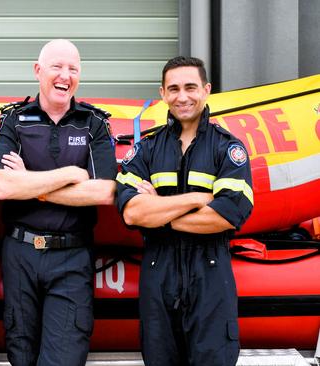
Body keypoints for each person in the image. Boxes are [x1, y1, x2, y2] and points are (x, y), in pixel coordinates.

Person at [116, 56, 254, 366]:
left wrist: (160, 215)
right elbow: (133, 214)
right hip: (158, 275)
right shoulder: (146, 150)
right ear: (162, 93)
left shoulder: (228, 150)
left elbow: (226, 215)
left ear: (206, 90)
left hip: (210, 276)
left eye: (190, 87)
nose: (182, 96)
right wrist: (197, 198)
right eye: (174, 88)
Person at [0, 39, 117, 366]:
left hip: (72, 258)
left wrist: (31, 182)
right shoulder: (14, 121)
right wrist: (72, 174)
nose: (65, 75)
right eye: (57, 67)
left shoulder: (93, 124)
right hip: (20, 255)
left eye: (73, 69)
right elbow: (4, 187)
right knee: (22, 356)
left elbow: (103, 192)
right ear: (38, 71)